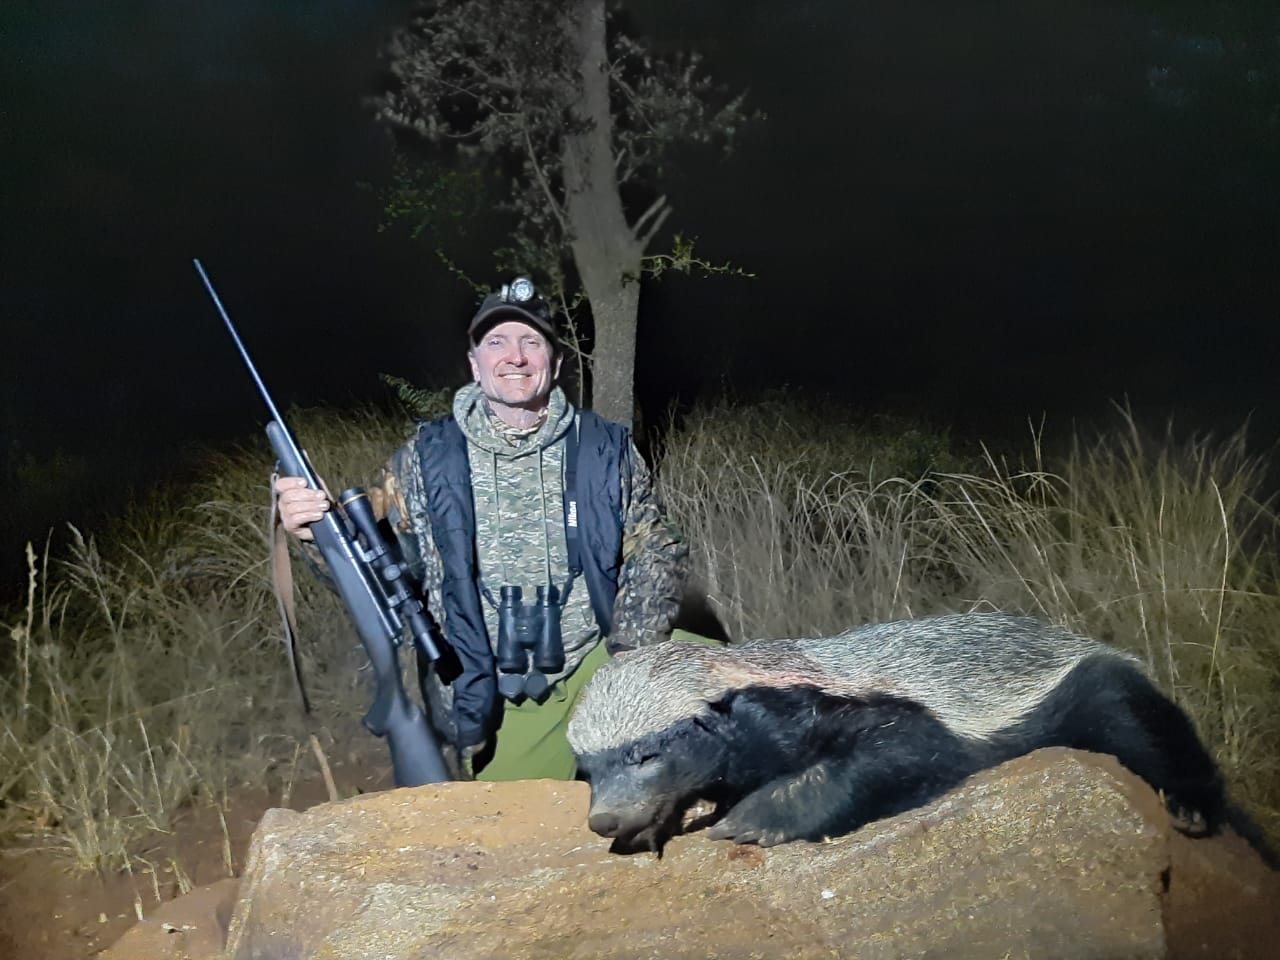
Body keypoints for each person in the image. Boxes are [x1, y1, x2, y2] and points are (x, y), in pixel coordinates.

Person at [275, 277, 692, 781]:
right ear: (475, 364)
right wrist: (315, 533)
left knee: (736, 694)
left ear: (555, 364)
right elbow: (372, 569)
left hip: (598, 661)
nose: (514, 357)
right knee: (507, 834)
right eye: (496, 342)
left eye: (531, 342)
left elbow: (656, 547)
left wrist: (633, 660)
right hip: (498, 691)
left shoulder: (604, 447)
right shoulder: (425, 458)